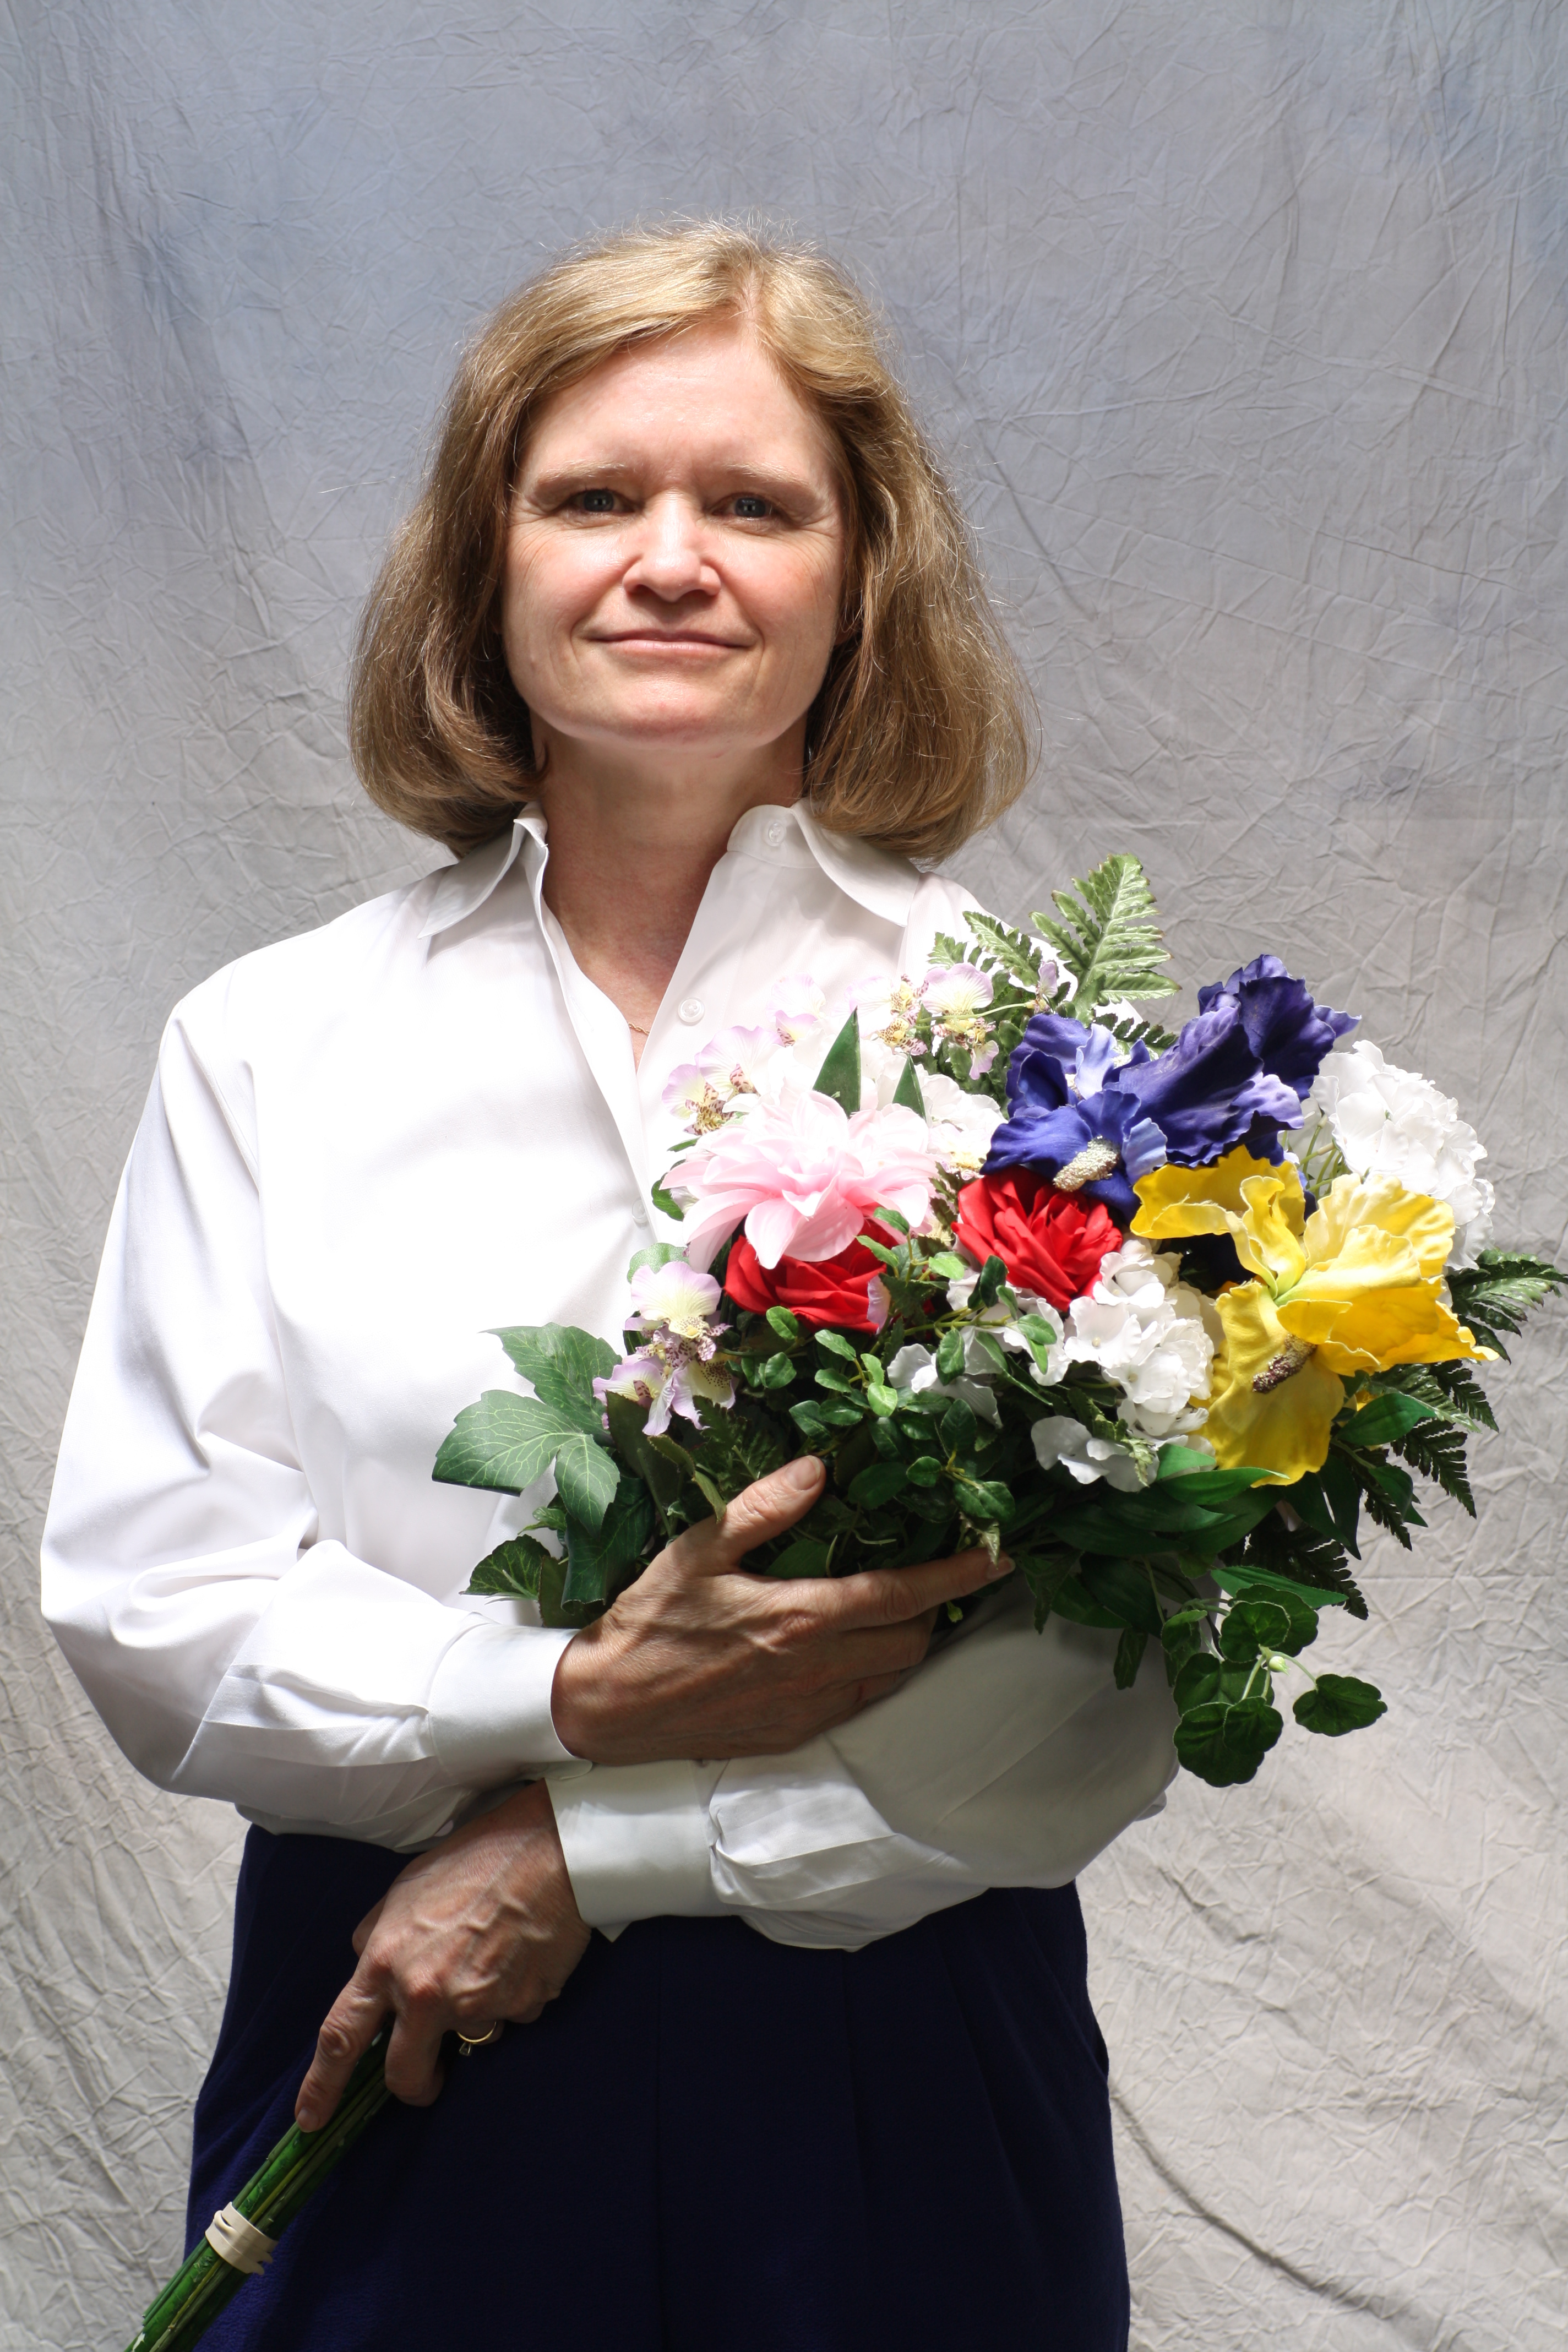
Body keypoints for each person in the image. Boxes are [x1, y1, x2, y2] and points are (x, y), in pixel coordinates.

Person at [42, 223, 1178, 2350]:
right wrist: (567, 1702)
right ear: (485, 564)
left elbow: (1109, 1677)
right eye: (592, 497)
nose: (672, 561)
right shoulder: (273, 1041)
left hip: (898, 2053)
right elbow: (154, 1601)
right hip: (397, 2013)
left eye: (754, 503)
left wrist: (585, 1850)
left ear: (864, 573)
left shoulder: (1041, 1047)